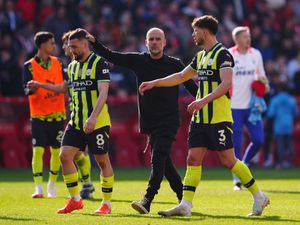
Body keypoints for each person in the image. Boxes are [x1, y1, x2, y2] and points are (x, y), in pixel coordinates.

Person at [139, 15, 270, 217]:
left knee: (228, 160)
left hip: (218, 117)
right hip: (200, 119)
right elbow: (181, 76)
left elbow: (226, 83)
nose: (193, 35)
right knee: (193, 159)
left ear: (205, 31)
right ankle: (185, 205)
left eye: (195, 31)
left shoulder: (223, 54)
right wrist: (155, 82)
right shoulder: (200, 56)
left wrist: (202, 101)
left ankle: (258, 195)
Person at [85, 27, 198, 214]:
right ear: (146, 42)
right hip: (149, 122)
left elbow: (192, 88)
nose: (154, 42)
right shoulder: (139, 60)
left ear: (164, 43)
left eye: (158, 39)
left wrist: (208, 98)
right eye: (151, 39)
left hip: (169, 121)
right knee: (165, 162)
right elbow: (113, 56)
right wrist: (94, 42)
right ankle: (183, 198)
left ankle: (147, 200)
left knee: (157, 158)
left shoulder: (175, 64)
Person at [37, 28, 114, 214]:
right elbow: (64, 88)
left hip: (97, 122)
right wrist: (40, 85)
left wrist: (93, 117)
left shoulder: (99, 62)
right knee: (64, 156)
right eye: (70, 47)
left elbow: (103, 93)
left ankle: (106, 204)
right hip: (76, 122)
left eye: (75, 47)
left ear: (85, 44)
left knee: (102, 161)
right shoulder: (71, 66)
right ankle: (75, 199)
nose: (71, 50)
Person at [28, 31, 96, 199]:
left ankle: (87, 186)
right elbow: (63, 88)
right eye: (67, 44)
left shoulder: (80, 65)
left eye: (68, 44)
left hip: (86, 115)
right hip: (73, 115)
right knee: (76, 153)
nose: (65, 47)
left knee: (84, 154)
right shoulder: (71, 66)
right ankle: (85, 186)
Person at [23, 31, 66, 198]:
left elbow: (65, 85)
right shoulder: (29, 66)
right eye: (51, 43)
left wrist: (39, 85)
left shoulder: (59, 63)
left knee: (56, 152)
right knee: (38, 151)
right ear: (41, 45)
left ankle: (52, 185)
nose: (54, 46)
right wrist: (30, 89)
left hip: (57, 115)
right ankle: (38, 187)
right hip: (39, 116)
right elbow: (25, 89)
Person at [229, 26, 269, 191]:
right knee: (236, 144)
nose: (248, 39)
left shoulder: (256, 54)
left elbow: (263, 78)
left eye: (249, 36)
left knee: (259, 139)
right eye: (245, 36)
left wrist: (264, 84)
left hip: (252, 107)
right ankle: (237, 180)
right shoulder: (229, 54)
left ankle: (243, 165)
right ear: (237, 39)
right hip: (234, 106)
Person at [267, 82, 298, 169]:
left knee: (280, 145)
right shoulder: (291, 100)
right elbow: (296, 113)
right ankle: (291, 163)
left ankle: (281, 164)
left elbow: (270, 114)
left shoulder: (275, 100)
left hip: (279, 125)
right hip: (289, 125)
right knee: (289, 144)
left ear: (279, 89)